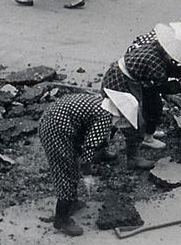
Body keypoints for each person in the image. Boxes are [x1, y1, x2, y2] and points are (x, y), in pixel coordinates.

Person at [38, 89, 139, 236]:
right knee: (65, 172)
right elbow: (89, 146)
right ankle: (61, 219)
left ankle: (71, 203)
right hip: (55, 130)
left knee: (71, 166)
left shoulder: (101, 104)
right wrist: (87, 175)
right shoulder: (104, 117)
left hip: (56, 122)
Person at [101, 23, 181, 169]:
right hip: (120, 83)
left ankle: (99, 149)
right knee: (130, 120)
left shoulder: (156, 48)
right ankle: (131, 158)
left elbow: (167, 68)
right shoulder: (154, 59)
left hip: (127, 78)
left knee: (117, 116)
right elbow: (161, 86)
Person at [126, 21, 181, 149]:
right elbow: (160, 81)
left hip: (144, 72)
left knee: (153, 103)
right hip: (134, 77)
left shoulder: (164, 43)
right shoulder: (155, 55)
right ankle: (146, 137)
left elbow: (167, 68)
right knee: (153, 107)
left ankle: (148, 131)